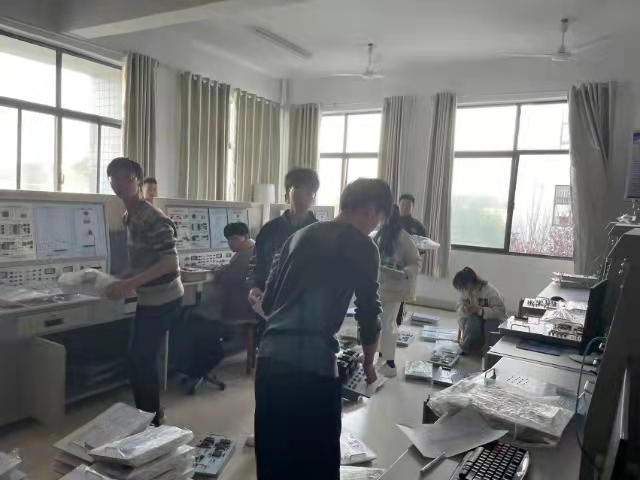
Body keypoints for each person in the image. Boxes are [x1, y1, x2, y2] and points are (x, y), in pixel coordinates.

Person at [254, 178, 392, 480]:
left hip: (269, 360)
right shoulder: (363, 246)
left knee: (273, 462)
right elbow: (369, 312)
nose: (374, 229)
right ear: (371, 211)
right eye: (378, 221)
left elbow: (268, 303)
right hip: (312, 369)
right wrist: (369, 361)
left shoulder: (296, 237)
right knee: (317, 465)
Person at [105, 158, 184, 426]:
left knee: (142, 359)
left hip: (165, 298)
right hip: (149, 298)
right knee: (139, 358)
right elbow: (144, 260)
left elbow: (169, 262)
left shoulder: (152, 217)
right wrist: (123, 277)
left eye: (126, 178)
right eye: (114, 179)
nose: (119, 184)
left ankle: (150, 422)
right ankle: (149, 414)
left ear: (138, 181)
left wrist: (130, 284)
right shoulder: (129, 216)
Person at [244, 167, 319, 447]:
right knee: (268, 375)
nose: (306, 196)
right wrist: (254, 286)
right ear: (288, 193)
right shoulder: (270, 230)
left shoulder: (319, 232)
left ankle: (293, 429)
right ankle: (264, 428)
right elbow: (256, 265)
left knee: (299, 375)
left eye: (311, 192)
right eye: (301, 190)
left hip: (305, 314)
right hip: (270, 312)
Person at [179, 222, 255, 392]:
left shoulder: (245, 255)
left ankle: (196, 367)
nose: (231, 243)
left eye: (234, 239)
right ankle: (199, 365)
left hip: (237, 308)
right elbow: (232, 271)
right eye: (228, 240)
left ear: (245, 237)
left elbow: (227, 277)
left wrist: (217, 271)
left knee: (191, 316)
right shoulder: (251, 250)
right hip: (249, 305)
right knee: (196, 314)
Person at [373, 205, 421, 378]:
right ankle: (381, 355)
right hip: (379, 285)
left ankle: (390, 363)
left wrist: (404, 270)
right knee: (380, 323)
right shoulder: (380, 234)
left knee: (388, 323)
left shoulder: (403, 237)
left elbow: (416, 262)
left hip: (395, 287)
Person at [453, 267, 506, 355]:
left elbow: (501, 312)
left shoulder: (490, 291)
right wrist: (464, 310)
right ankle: (467, 348)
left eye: (463, 287)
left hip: (491, 320)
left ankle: (489, 351)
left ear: (470, 284)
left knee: (491, 324)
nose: (462, 291)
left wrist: (481, 310)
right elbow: (459, 308)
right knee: (473, 322)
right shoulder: (465, 293)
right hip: (475, 322)